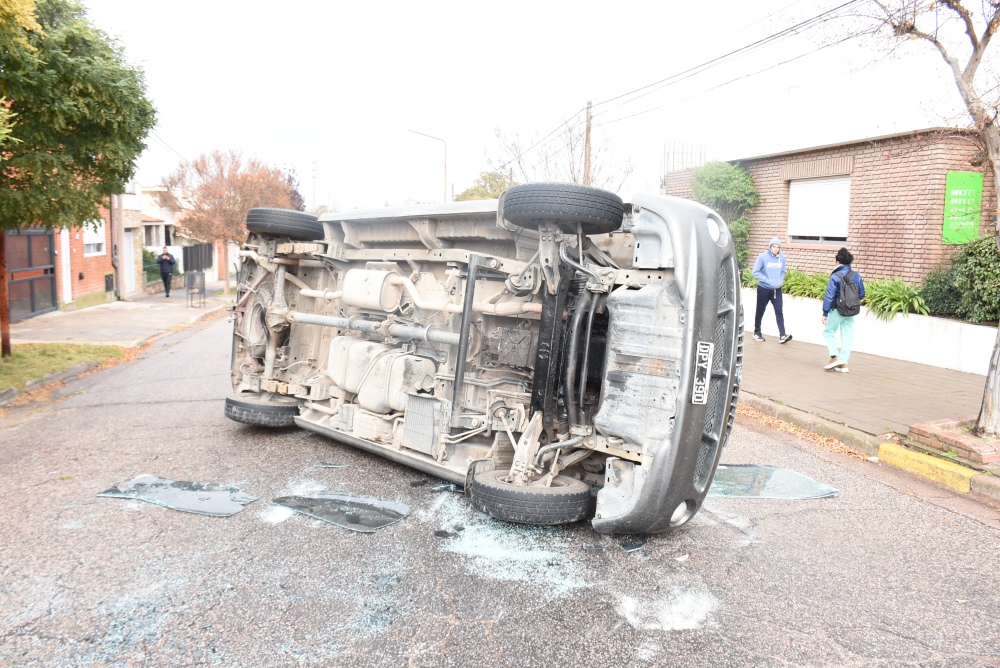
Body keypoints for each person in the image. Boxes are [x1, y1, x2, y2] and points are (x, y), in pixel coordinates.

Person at [822, 247, 866, 373]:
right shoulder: (856, 275)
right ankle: (843, 364)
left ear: (837, 262)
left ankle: (834, 357)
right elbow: (862, 294)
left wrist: (825, 312)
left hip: (837, 310)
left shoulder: (835, 276)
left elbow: (830, 295)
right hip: (852, 311)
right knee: (847, 336)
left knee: (828, 332)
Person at [751, 237, 792, 343]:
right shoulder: (762, 257)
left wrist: (780, 280)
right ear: (770, 247)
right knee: (760, 311)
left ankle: (783, 335)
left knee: (779, 312)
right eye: (774, 246)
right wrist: (767, 280)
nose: (775, 249)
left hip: (776, 290)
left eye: (778, 247)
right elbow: (755, 272)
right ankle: (757, 332)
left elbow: (783, 271)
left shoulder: (782, 258)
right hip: (764, 289)